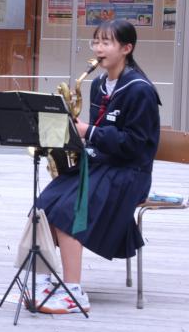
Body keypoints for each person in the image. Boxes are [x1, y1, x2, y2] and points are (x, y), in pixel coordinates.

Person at [36, 19, 159, 314]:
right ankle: (43, 281)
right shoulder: (99, 84)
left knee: (68, 212)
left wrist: (88, 132)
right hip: (100, 164)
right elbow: (96, 133)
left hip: (130, 172)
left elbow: (136, 145)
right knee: (43, 207)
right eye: (96, 41)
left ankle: (73, 292)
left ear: (126, 48)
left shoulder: (140, 90)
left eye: (106, 42)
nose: (98, 48)